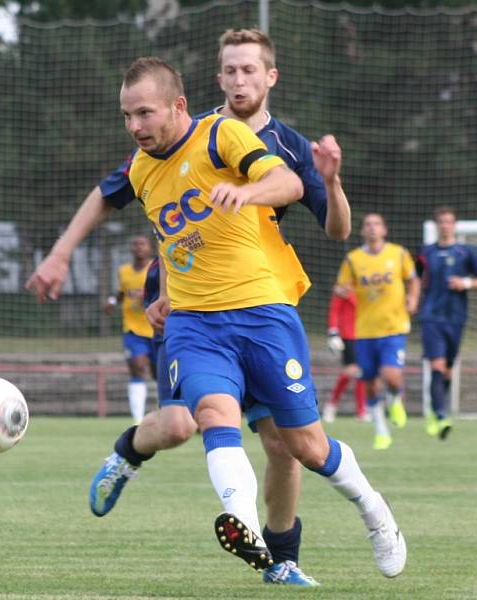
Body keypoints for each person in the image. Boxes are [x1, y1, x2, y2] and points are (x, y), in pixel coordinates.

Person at [27, 56, 405, 583]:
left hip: (263, 313)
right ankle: (243, 526)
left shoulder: (219, 135)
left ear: (177, 106)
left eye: (144, 114)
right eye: (127, 117)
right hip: (195, 323)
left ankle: (375, 513)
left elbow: (290, 185)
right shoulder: (141, 167)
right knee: (209, 414)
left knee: (304, 446)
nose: (134, 127)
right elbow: (101, 196)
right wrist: (60, 254)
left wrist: (247, 191)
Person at [85, 29, 355, 587]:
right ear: (216, 79)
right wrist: (158, 287)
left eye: (249, 71)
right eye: (229, 70)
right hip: (192, 311)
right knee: (182, 424)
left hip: (259, 307)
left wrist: (329, 181)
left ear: (269, 77)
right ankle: (128, 451)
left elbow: (337, 229)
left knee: (284, 443)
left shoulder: (291, 149)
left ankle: (281, 558)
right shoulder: (187, 131)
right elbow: (135, 200)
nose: (238, 80)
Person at [335, 214, 420, 449]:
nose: (372, 228)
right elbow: (342, 286)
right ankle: (381, 430)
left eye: (377, 224)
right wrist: (342, 290)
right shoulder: (353, 259)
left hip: (395, 327)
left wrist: (413, 298)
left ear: (384, 229)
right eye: (368, 225)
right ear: (362, 231)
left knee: (391, 375)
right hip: (365, 331)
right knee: (370, 383)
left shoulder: (399, 253)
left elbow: (413, 280)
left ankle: (395, 398)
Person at [416, 206, 477, 439]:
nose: (445, 226)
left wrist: (465, 284)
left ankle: (435, 411)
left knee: (447, 371)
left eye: (449, 222)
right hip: (431, 318)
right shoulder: (425, 253)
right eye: (441, 222)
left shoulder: (464, 252)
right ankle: (440, 414)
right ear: (437, 225)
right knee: (436, 367)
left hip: (456, 319)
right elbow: (415, 280)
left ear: (454, 225)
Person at [103, 234, 155, 423]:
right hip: (133, 330)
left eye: (142, 244)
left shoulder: (155, 268)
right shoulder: (123, 271)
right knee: (137, 367)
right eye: (135, 244)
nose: (138, 247)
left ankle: (169, 413)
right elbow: (122, 293)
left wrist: (147, 296)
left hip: (156, 327)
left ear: (149, 248)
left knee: (159, 373)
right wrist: (111, 301)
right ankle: (138, 421)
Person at [322, 286, 367, 423]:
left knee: (360, 372)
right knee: (350, 372)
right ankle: (332, 405)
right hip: (348, 334)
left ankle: (361, 411)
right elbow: (335, 309)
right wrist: (333, 331)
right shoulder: (343, 287)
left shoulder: (367, 287)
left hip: (364, 333)